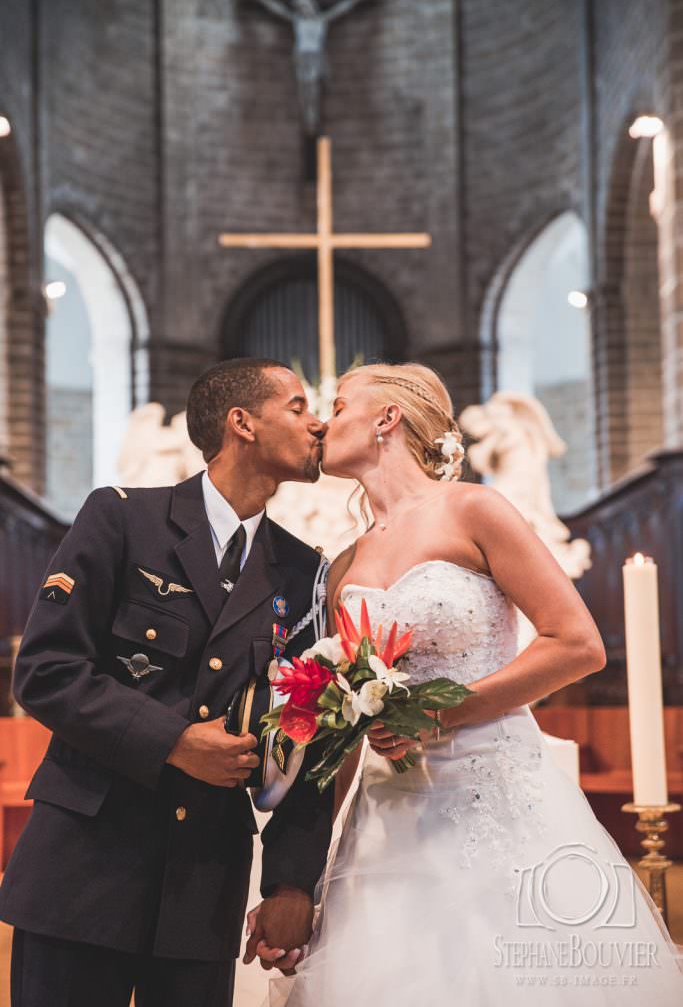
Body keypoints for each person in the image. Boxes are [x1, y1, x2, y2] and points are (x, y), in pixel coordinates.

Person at [246, 362, 683, 1005]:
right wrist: (300, 882)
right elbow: (344, 730)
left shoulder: (474, 510)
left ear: (386, 419)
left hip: (500, 797)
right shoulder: (343, 565)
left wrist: (441, 716)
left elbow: (577, 644)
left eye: (337, 407)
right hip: (387, 821)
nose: (320, 423)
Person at [0, 358, 335, 1007]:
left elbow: (307, 730)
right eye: (297, 407)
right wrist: (174, 740)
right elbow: (46, 670)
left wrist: (291, 883)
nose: (317, 423)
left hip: (200, 884)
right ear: (242, 423)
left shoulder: (302, 571)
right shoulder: (124, 520)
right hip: (86, 867)